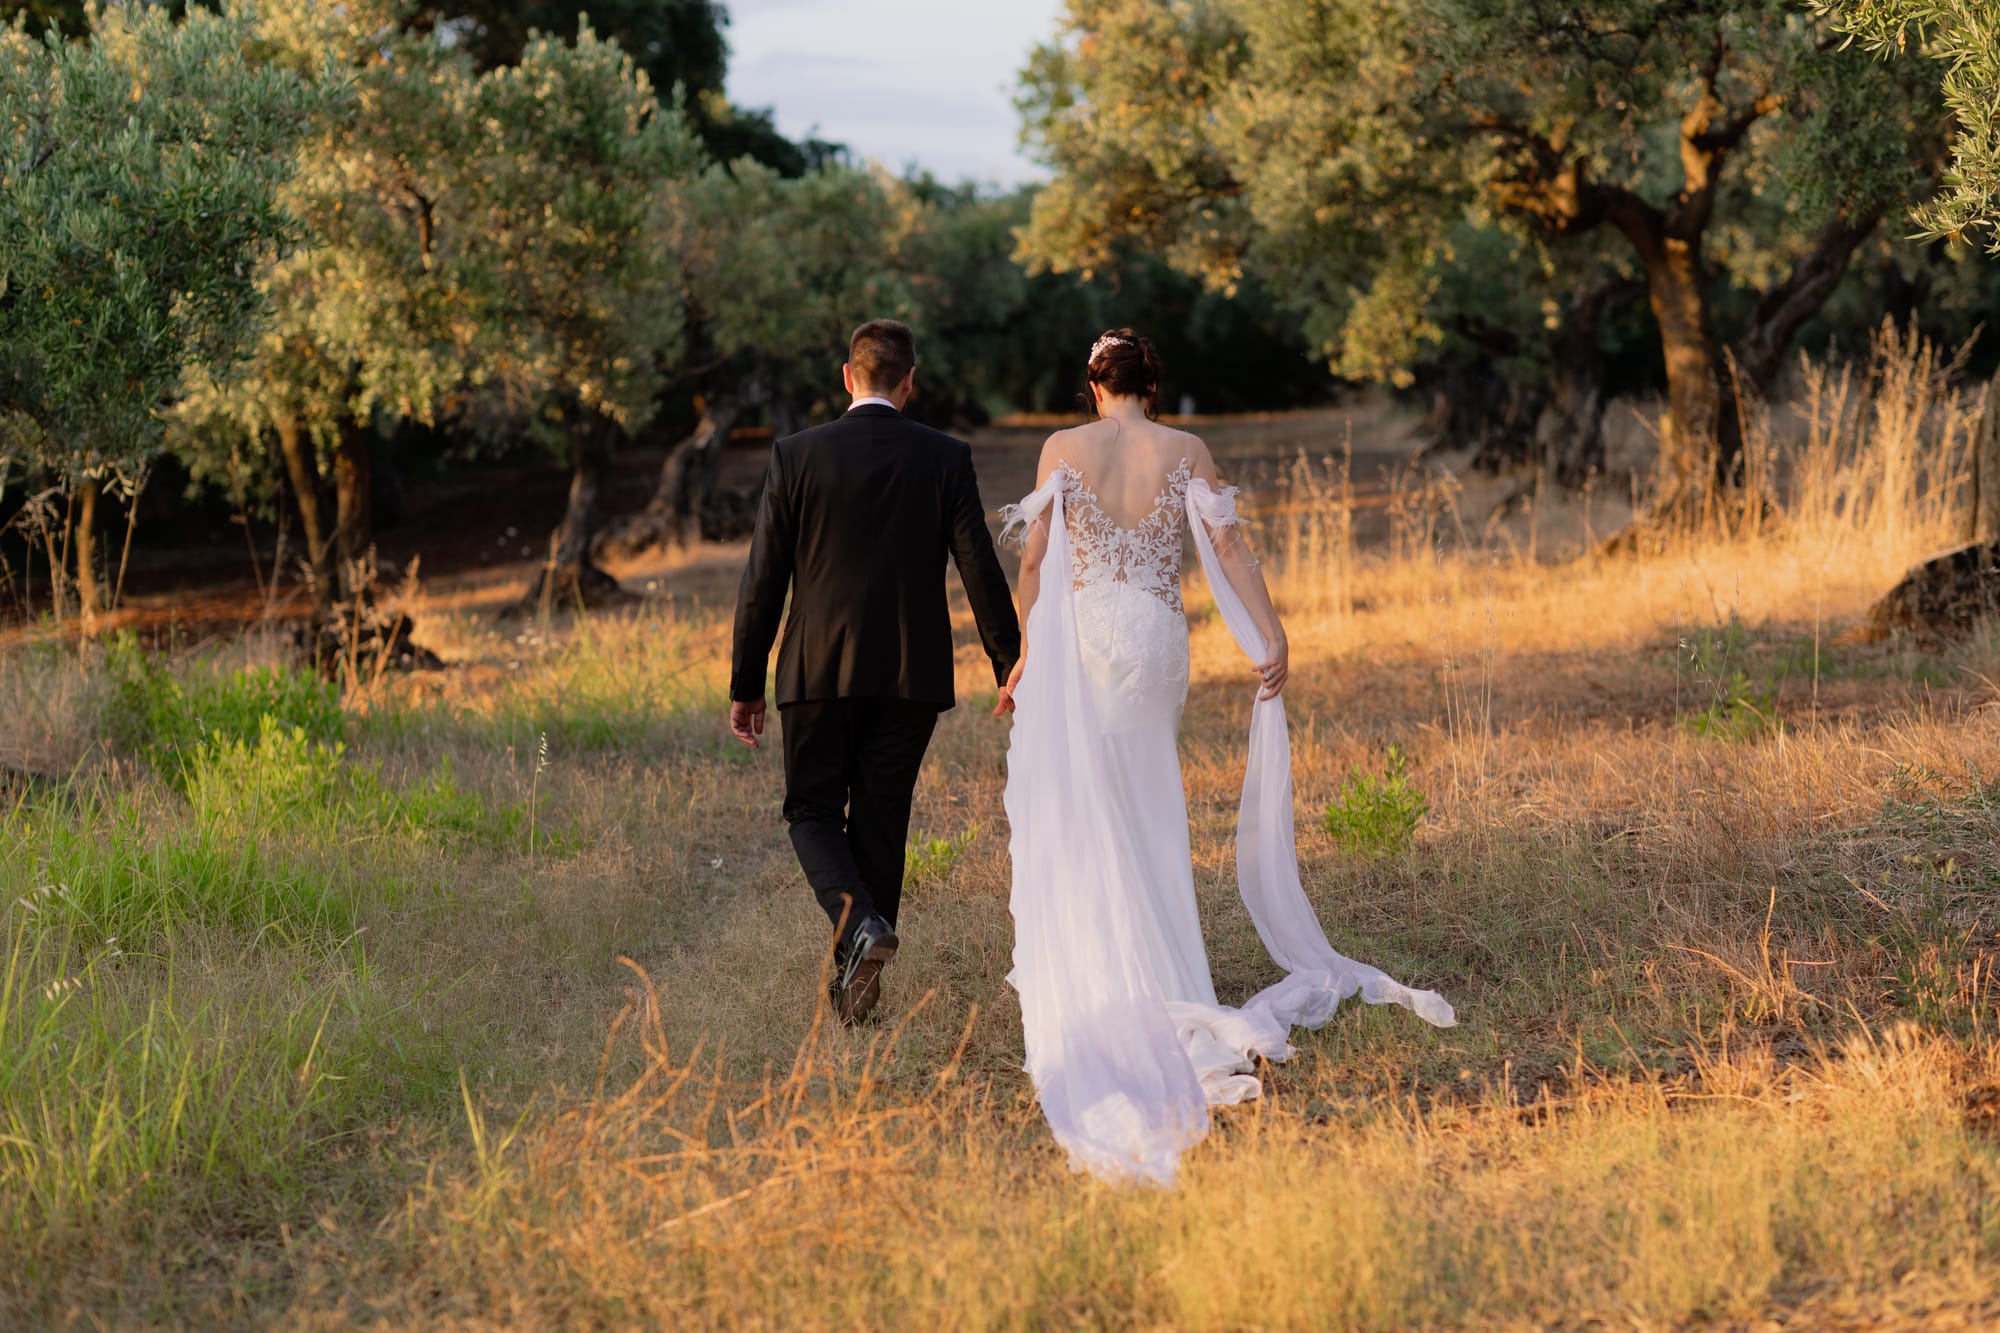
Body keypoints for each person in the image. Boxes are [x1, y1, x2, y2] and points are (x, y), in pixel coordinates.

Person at [998, 329, 1455, 1185]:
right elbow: (1232, 549)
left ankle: (1117, 964)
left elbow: (1034, 558)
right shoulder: (1187, 449)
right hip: (1156, 642)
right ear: (1152, 384)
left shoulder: (1062, 447)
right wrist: (1270, 632)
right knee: (1151, 799)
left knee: (1094, 804)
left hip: (1088, 641)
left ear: (1093, 385)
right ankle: (1170, 964)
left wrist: (1028, 647)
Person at [729, 319, 1021, 1025]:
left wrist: (746, 682)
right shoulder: (944, 455)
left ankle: (859, 929)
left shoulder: (797, 454)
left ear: (847, 376)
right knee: (881, 822)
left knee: (811, 811)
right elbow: (978, 565)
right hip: (909, 674)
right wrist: (1008, 661)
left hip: (815, 669)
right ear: (909, 382)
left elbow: (763, 578)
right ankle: (857, 982)